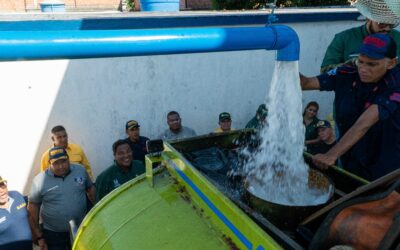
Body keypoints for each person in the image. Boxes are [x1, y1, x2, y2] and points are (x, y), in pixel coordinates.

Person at [300, 33, 400, 181]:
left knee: (378, 201)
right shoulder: (347, 73)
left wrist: (331, 155)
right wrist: (286, 67)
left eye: (372, 64)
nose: (363, 69)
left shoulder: (395, 83)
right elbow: (307, 83)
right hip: (350, 156)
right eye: (361, 61)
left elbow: (364, 123)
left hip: (383, 165)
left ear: (391, 63)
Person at [28, 146, 95, 250]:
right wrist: (38, 236)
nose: (60, 166)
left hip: (82, 229)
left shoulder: (80, 170)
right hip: (54, 235)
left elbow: (90, 189)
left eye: (63, 161)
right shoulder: (39, 180)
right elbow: (33, 207)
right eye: (56, 163)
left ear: (69, 159)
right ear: (50, 163)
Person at [320, 0, 400, 73]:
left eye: (391, 24)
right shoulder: (343, 38)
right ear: (368, 18)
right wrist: (351, 64)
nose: (387, 28)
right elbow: (324, 72)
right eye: (382, 24)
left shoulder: (398, 38)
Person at [0, 176, 32, 250]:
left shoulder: (17, 195)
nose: (1, 190)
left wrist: (39, 237)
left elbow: (28, 216)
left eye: (1, 184)